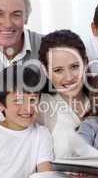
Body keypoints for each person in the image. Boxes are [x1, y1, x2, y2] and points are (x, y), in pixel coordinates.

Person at [37, 30, 92, 159]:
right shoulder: (41, 108)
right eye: (58, 70)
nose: (69, 77)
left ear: (85, 63)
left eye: (74, 66)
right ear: (45, 71)